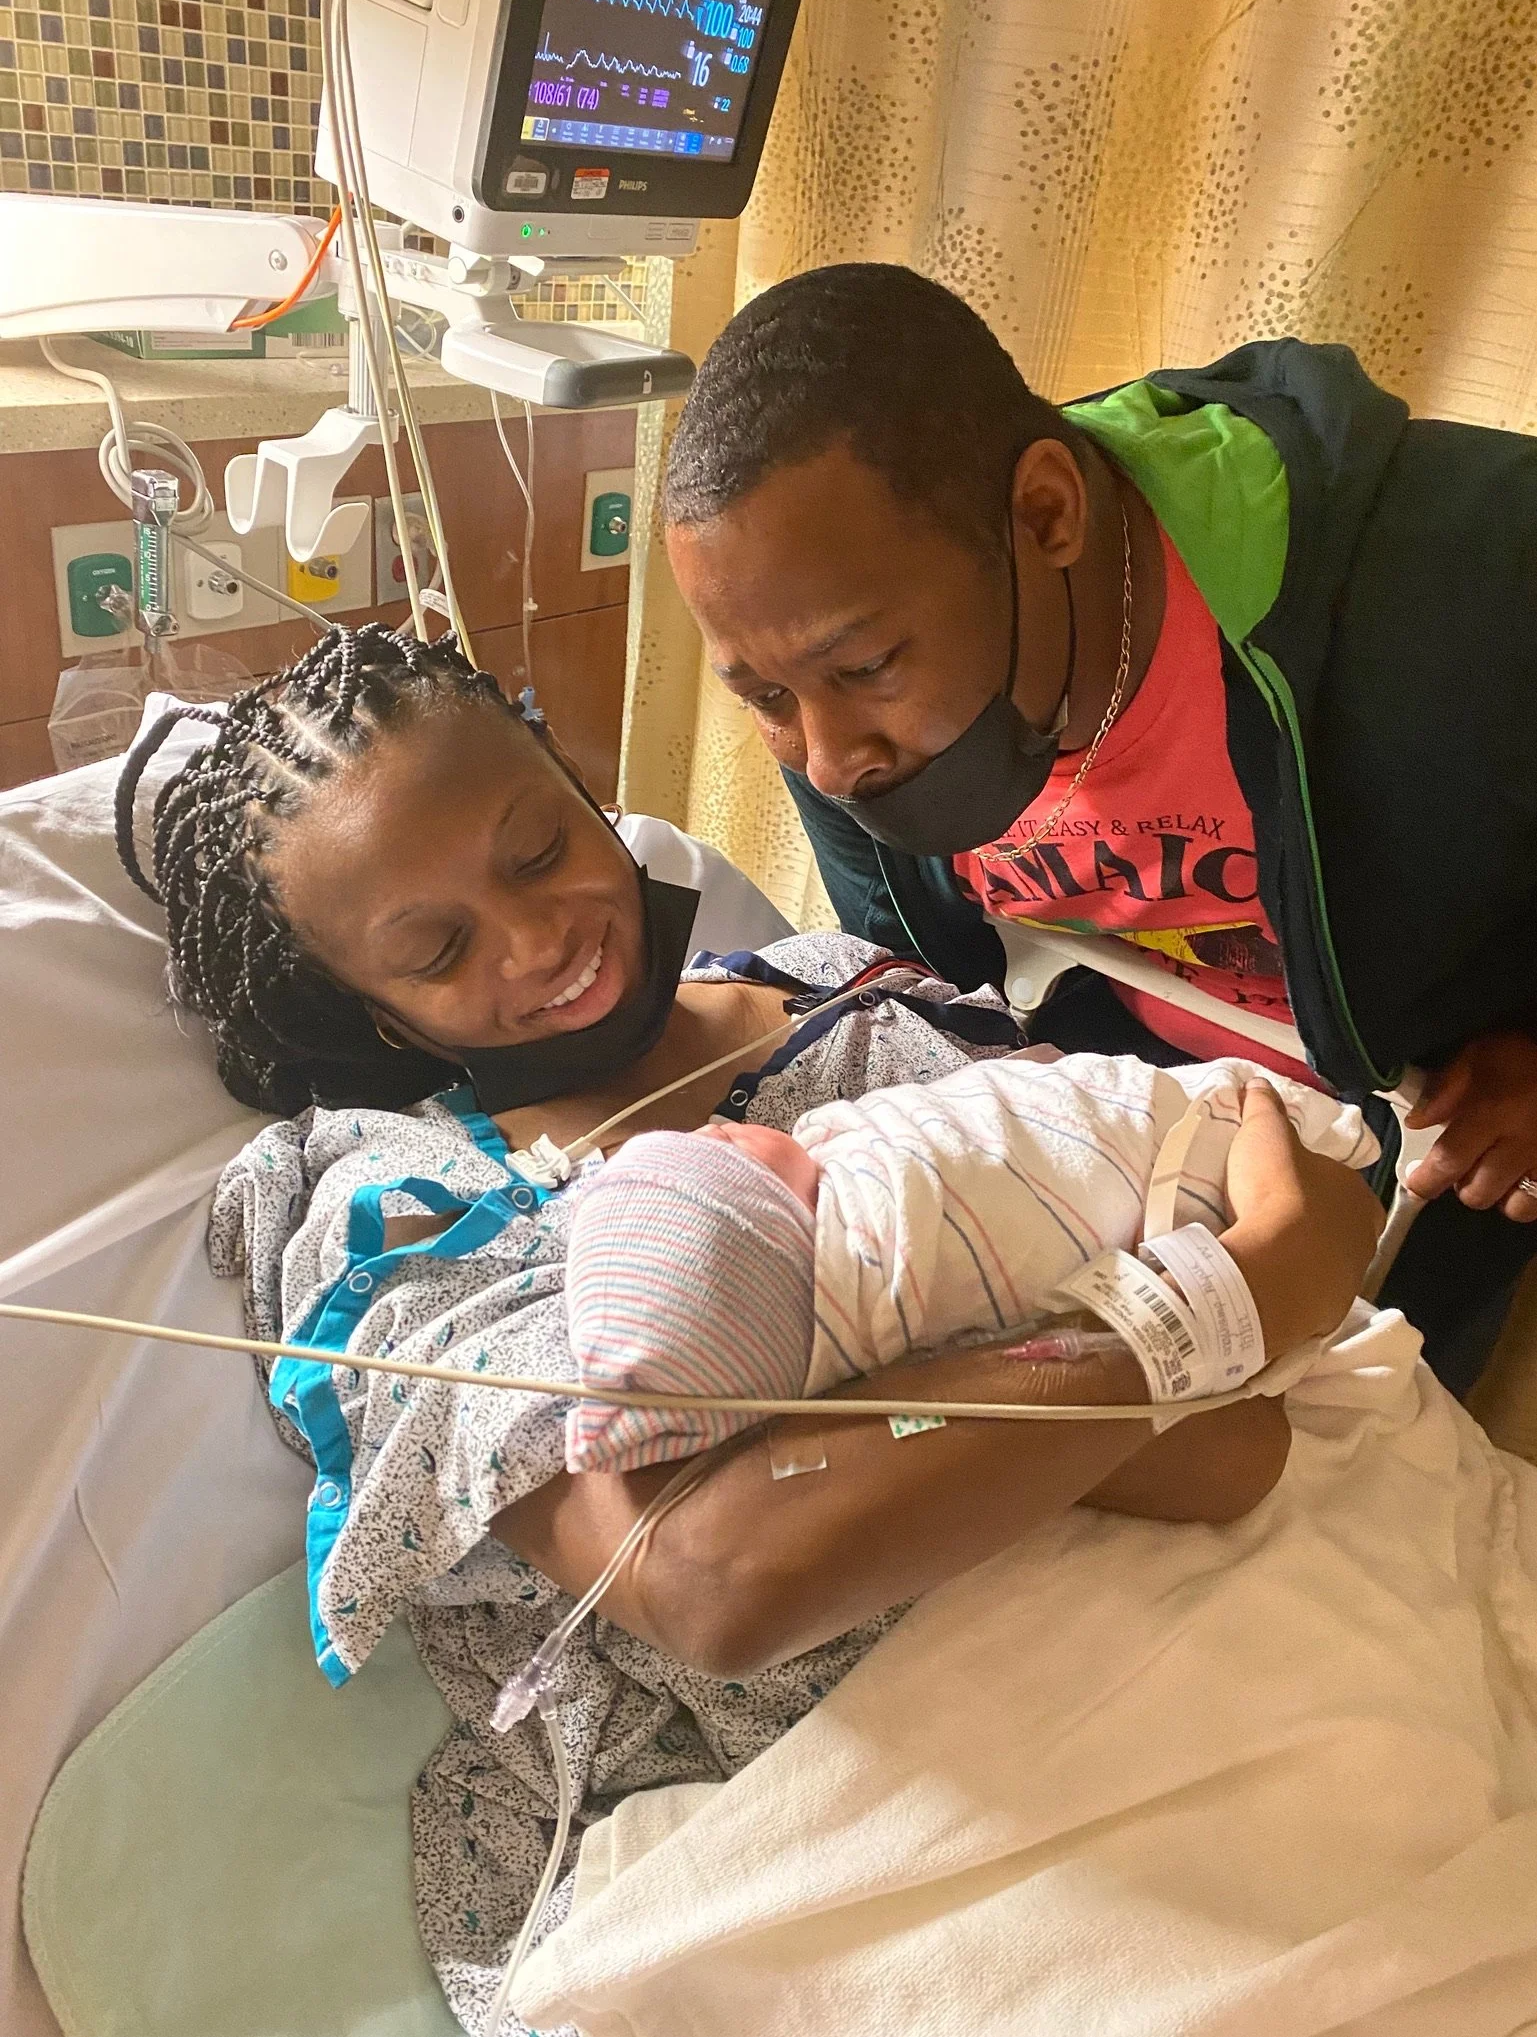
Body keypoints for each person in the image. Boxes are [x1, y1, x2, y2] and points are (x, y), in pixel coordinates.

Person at [119, 622, 1381, 2027]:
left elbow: (1255, 1328)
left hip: (1231, 1630)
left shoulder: (853, 994)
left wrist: (1148, 1347)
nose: (540, 941)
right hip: (860, 1789)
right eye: (435, 948)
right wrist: (1189, 1318)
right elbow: (713, 1572)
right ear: (382, 1016)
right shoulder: (414, 1219)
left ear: (572, 771)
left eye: (539, 849)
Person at [661, 262, 1537, 1397]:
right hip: (1107, 1148)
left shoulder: (1479, 581)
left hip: (1422, 1178)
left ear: (1046, 514)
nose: (828, 761)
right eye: (764, 699)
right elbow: (924, 974)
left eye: (867, 667)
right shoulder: (832, 676)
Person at [563, 1051, 1376, 1472]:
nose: (714, 1128)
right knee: (1249, 1119)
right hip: (1203, 1161)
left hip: (1182, 1195)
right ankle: (1264, 1128)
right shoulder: (882, 1244)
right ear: (787, 1235)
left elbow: (985, 1124)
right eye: (725, 1151)